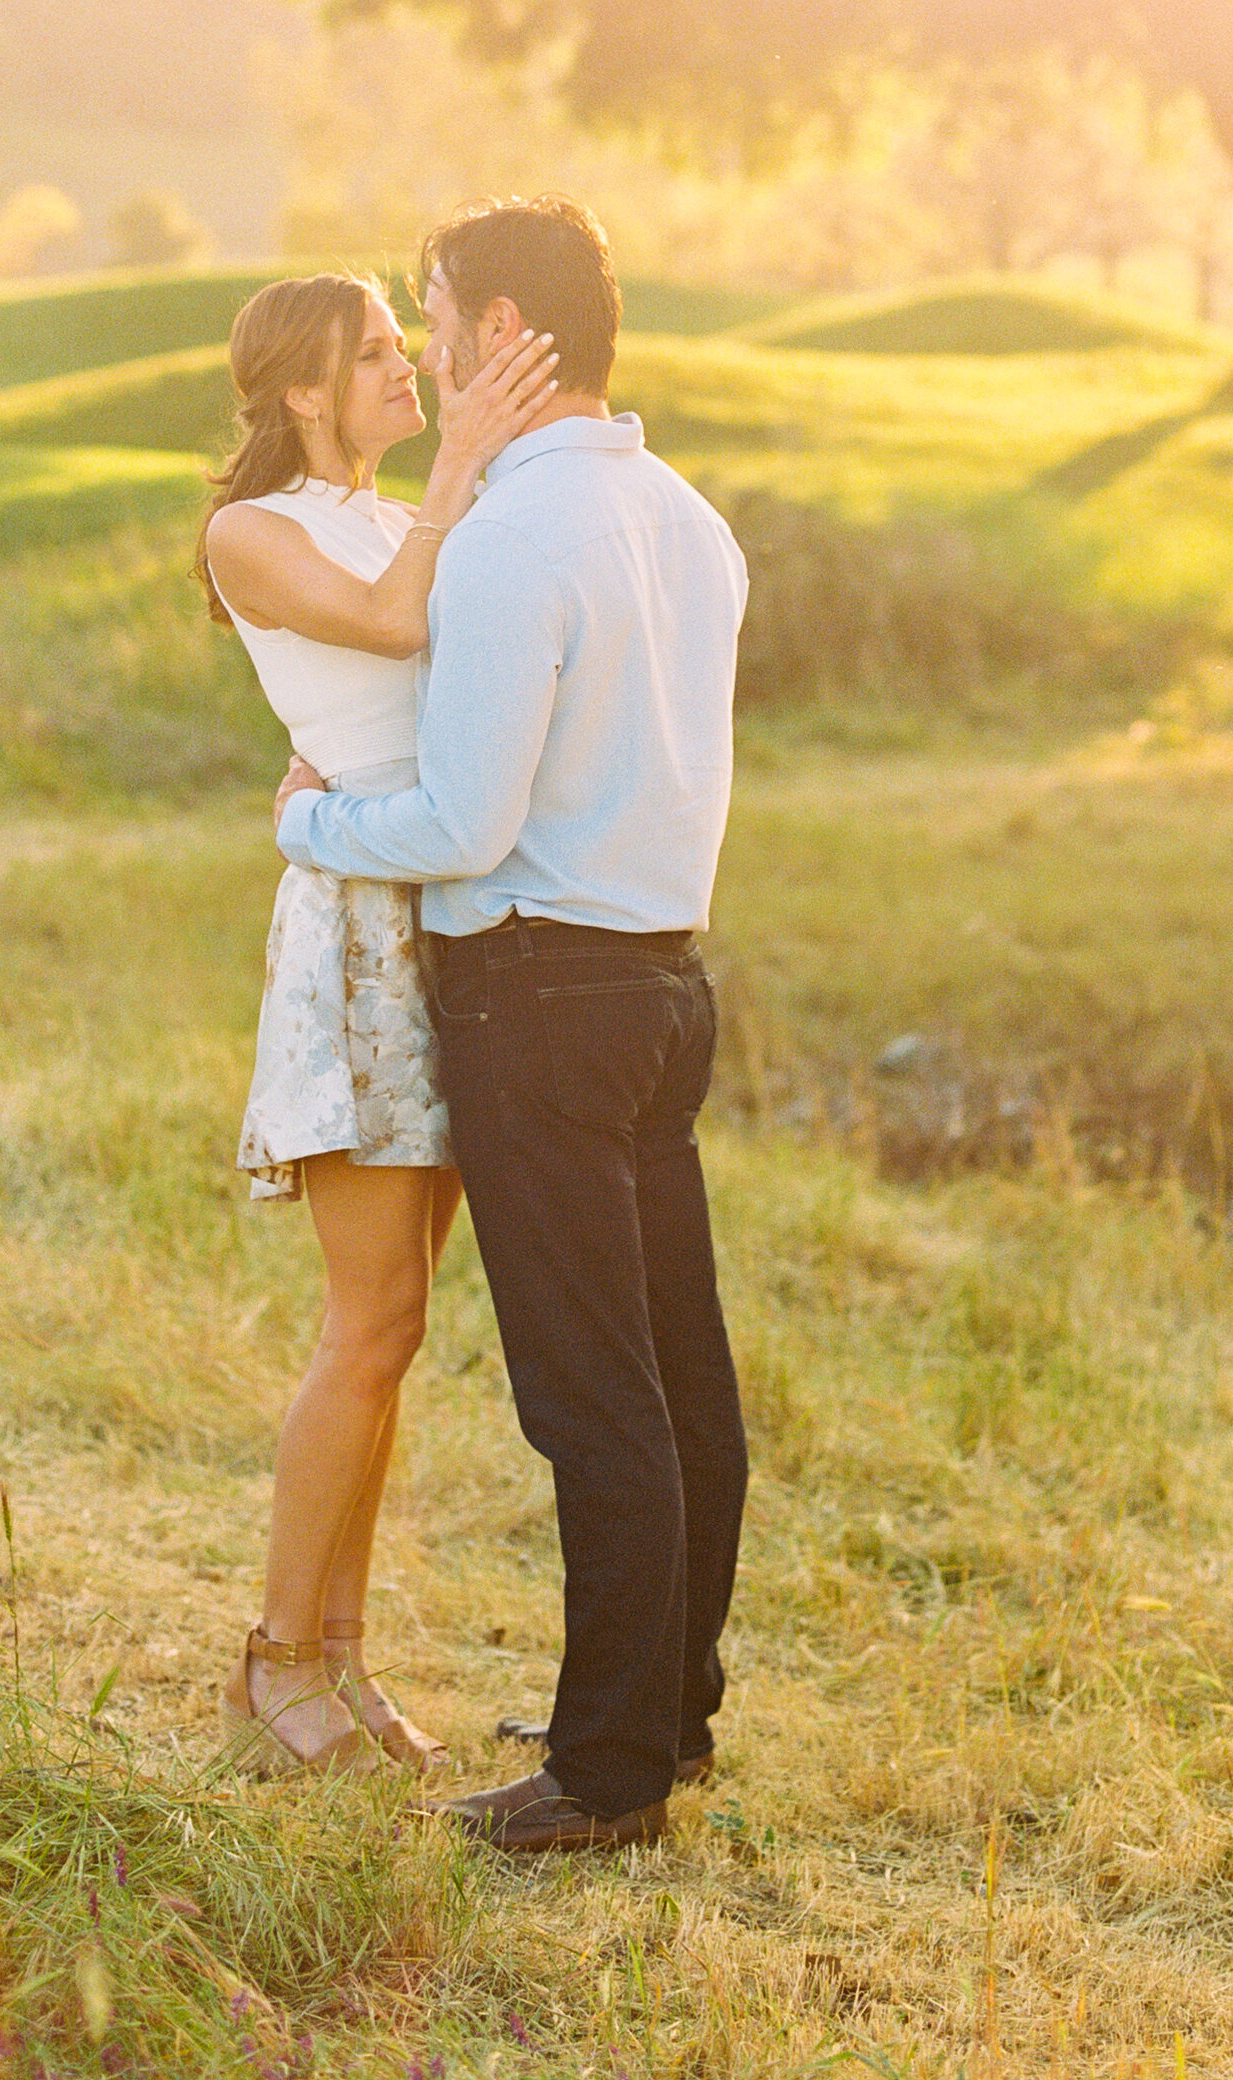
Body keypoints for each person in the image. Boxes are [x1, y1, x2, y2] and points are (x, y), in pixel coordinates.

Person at [275, 197, 751, 1855]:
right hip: (666, 985)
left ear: (498, 337)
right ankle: (667, 1717)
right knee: (682, 1373)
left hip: (538, 998)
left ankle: (606, 1771)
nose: (426, 338)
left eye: (434, 310)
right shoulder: (689, 520)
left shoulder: (511, 540)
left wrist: (309, 826)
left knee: (592, 1392)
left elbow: (463, 822)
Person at [200, 271, 558, 1776]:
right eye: (375, 357)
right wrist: (460, 468)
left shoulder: (393, 507)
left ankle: (343, 1661)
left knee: (402, 1329)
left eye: (410, 352)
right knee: (368, 1323)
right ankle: (273, 1661)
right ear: (297, 389)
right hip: (354, 930)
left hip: (441, 908)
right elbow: (397, 624)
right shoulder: (253, 532)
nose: (409, 373)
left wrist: (457, 478)